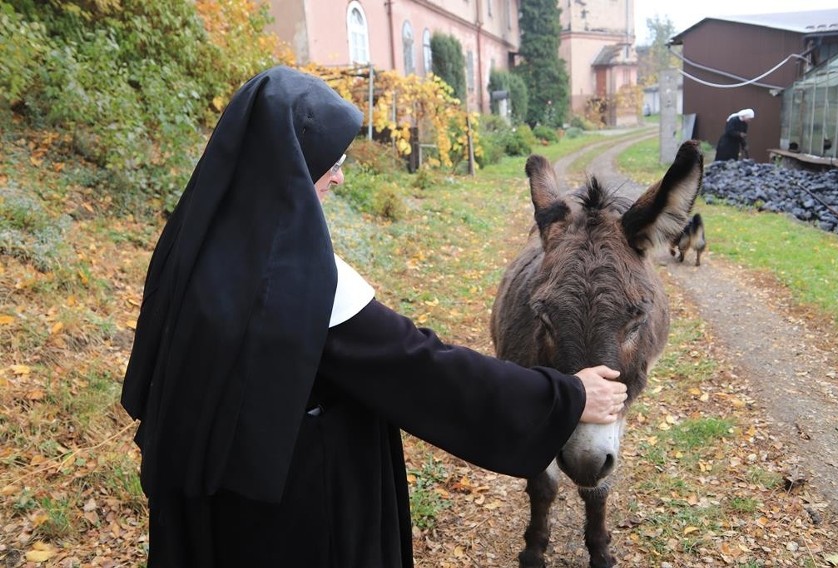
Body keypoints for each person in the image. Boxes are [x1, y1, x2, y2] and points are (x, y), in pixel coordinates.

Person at [120, 65, 628, 567]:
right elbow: (424, 369)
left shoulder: (193, 248)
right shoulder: (300, 283)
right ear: (288, 165)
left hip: (208, 512)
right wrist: (569, 395)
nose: (340, 176)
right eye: (330, 161)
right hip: (294, 522)